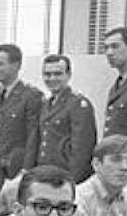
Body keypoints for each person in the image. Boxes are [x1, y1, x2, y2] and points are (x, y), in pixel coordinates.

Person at [0, 43, 41, 192]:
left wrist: (26, 168)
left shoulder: (30, 96)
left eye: (0, 64)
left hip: (14, 170)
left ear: (16, 65)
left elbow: (33, 136)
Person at [33, 54, 97, 184]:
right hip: (45, 174)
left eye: (57, 74)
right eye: (47, 74)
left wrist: (71, 181)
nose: (52, 78)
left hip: (66, 176)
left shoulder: (78, 104)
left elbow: (82, 150)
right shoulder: (45, 104)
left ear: (68, 75)